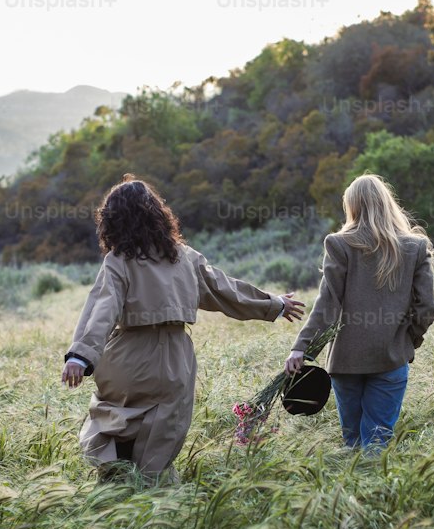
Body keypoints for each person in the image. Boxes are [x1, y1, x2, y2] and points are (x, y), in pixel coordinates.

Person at [62, 176, 305, 481]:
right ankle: (152, 491)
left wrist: (80, 356)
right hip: (175, 363)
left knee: (113, 419)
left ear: (113, 221)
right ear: (157, 214)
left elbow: (102, 308)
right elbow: (226, 290)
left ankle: (116, 483)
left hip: (127, 359)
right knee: (161, 434)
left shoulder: (118, 261)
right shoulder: (185, 258)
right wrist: (274, 303)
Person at [284, 173, 434, 452]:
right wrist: (406, 341)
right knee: (377, 442)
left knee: (352, 442)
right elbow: (427, 307)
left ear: (351, 206)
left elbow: (327, 303)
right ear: (387, 203)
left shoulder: (339, 244)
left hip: (346, 362)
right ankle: (375, 493)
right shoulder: (416, 247)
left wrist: (301, 348)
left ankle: (353, 493)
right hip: (391, 359)